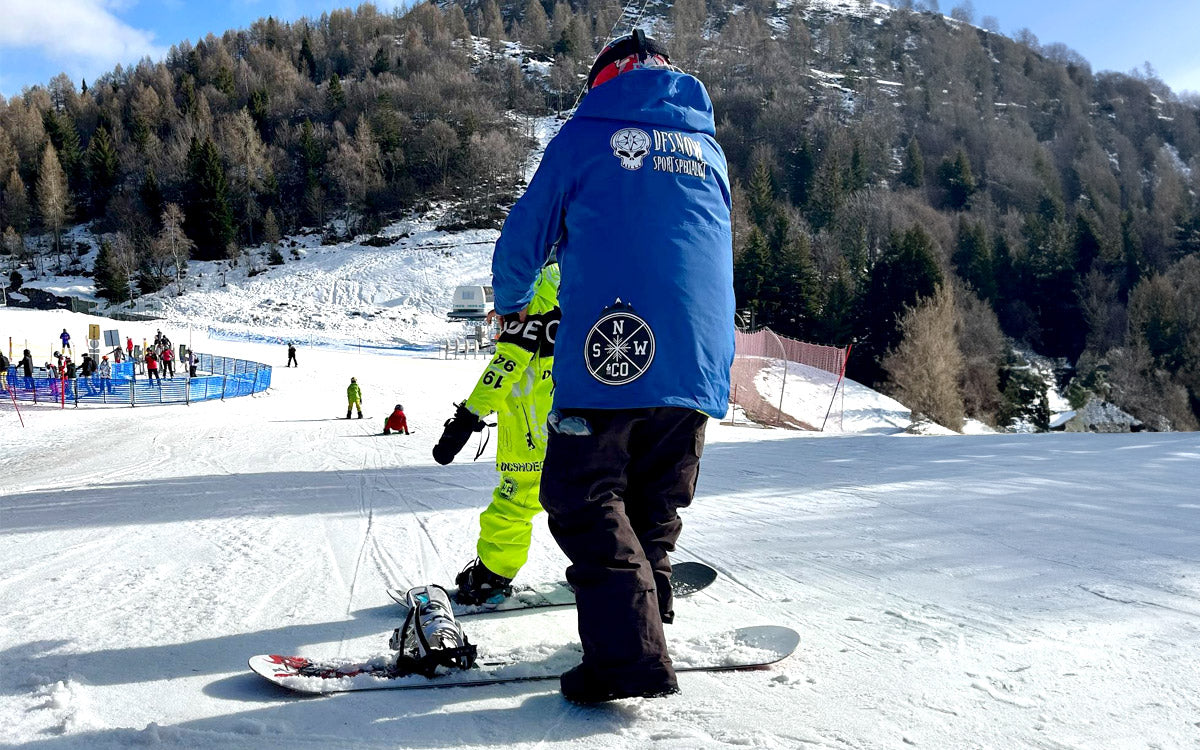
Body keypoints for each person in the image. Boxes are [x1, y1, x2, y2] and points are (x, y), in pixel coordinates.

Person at [488, 31, 734, 704]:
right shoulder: (706, 147)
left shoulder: (584, 134)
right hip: (698, 365)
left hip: (613, 350)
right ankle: (646, 623)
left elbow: (522, 242)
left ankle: (628, 661)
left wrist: (512, 309)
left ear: (603, 80)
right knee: (653, 499)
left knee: (582, 493)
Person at [432, 263, 560, 605]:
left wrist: (467, 416)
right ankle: (612, 568)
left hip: (531, 436)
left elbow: (505, 368)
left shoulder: (531, 303)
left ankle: (492, 576)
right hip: (576, 431)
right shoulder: (576, 294)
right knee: (589, 503)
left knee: (512, 507)